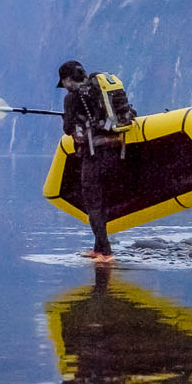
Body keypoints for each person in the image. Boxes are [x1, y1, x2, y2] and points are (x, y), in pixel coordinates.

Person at [58, 59, 123, 264]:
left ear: (68, 79)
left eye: (64, 82)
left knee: (92, 203)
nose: (65, 86)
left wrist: (68, 118)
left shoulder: (72, 98)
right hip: (114, 152)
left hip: (94, 155)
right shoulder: (99, 87)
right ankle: (98, 247)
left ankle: (106, 253)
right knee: (102, 202)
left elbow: (68, 128)